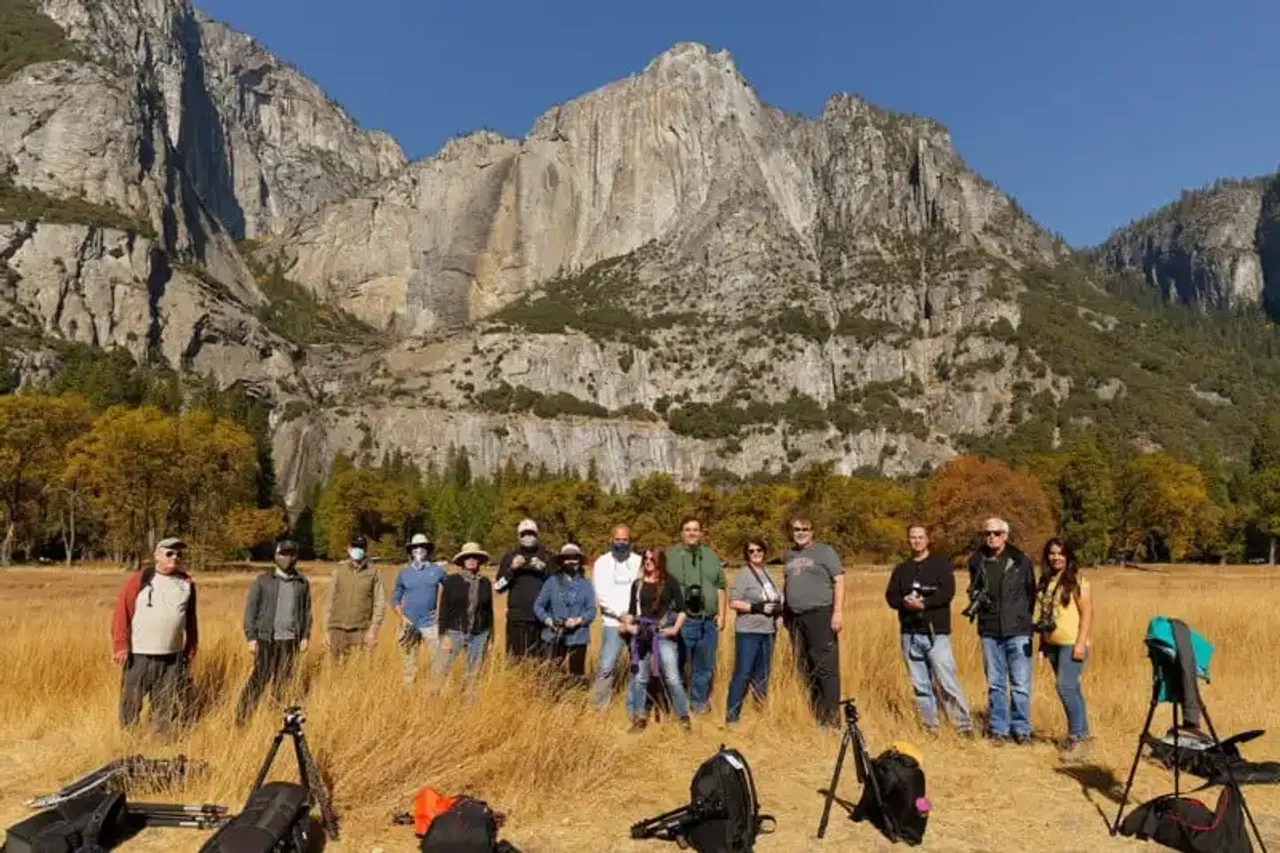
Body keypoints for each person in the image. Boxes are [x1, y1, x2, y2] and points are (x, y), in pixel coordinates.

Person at [884, 525, 973, 736]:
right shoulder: (901, 569)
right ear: (908, 541)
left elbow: (947, 593)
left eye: (920, 537)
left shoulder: (941, 565)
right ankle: (930, 726)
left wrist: (925, 604)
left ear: (927, 540)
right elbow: (891, 597)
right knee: (920, 684)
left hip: (937, 633)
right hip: (910, 633)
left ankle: (963, 726)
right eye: (913, 538)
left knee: (947, 680)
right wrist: (906, 604)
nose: (916, 541)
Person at [111, 537, 198, 734]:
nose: (175, 557)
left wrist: (191, 647)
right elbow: (121, 612)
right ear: (157, 556)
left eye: (179, 554)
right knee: (131, 701)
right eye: (169, 553)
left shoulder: (187, 583)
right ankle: (128, 739)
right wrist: (120, 646)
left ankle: (160, 740)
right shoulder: (141, 579)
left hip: (172, 656)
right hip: (140, 653)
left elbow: (191, 619)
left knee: (166, 701)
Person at [966, 517, 1037, 745]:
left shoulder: (1021, 560)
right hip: (989, 629)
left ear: (1006, 535)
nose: (991, 537)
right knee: (995, 682)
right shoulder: (977, 561)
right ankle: (999, 730)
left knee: (1020, 683)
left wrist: (1022, 618)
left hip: (1018, 629)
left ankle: (1022, 729)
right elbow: (974, 589)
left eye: (997, 533)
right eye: (987, 533)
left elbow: (1031, 593)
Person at [236, 539, 311, 726]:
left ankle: (275, 717)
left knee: (283, 681)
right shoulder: (263, 581)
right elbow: (251, 611)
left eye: (291, 554)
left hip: (290, 640)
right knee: (259, 678)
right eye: (284, 554)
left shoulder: (301, 583)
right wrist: (251, 637)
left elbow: (306, 611)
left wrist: (305, 636)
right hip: (266, 639)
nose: (288, 558)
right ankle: (243, 717)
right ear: (276, 556)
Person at [782, 516, 845, 727]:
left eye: (805, 529)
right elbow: (788, 583)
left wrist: (837, 613)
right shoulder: (789, 554)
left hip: (820, 614)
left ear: (812, 531)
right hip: (796, 619)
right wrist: (785, 613)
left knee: (826, 668)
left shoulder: (825, 552)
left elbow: (839, 580)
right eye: (797, 529)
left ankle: (833, 721)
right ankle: (818, 716)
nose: (800, 533)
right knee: (806, 667)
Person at [622, 547, 691, 732]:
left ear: (660, 561)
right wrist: (628, 626)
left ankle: (684, 718)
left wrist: (674, 629)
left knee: (672, 677)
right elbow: (631, 611)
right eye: (645, 558)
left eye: (652, 559)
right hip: (642, 635)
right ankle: (639, 719)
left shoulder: (670, 582)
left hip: (662, 634)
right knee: (640, 677)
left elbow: (683, 610)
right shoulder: (637, 585)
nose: (648, 561)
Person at [1035, 538, 1094, 756]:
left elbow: (1088, 612)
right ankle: (1084, 735)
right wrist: (1042, 643)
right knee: (1073, 689)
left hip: (1072, 644)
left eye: (1060, 553)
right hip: (1053, 645)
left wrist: (1080, 643)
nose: (1056, 557)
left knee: (1065, 687)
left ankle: (1075, 736)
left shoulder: (1078, 579)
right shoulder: (1047, 579)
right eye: (1052, 553)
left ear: (1068, 555)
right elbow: (1045, 613)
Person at [664, 517, 726, 715]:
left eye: (695, 530)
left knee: (705, 666)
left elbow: (721, 587)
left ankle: (698, 704)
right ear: (681, 533)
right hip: (683, 621)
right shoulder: (670, 556)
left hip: (708, 621)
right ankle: (677, 706)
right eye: (687, 529)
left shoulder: (710, 556)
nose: (691, 533)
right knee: (678, 665)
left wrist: (722, 615)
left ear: (701, 533)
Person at [725, 538, 783, 725]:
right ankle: (732, 717)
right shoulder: (743, 575)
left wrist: (778, 612)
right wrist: (757, 608)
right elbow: (733, 602)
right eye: (751, 551)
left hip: (768, 631)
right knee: (742, 673)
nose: (756, 553)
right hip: (748, 631)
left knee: (762, 675)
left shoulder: (768, 573)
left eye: (759, 550)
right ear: (746, 554)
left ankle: (759, 714)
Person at [590, 524, 642, 710]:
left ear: (630, 541)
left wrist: (633, 616)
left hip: (636, 622)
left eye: (625, 540)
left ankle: (636, 706)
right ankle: (598, 708)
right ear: (611, 539)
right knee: (606, 666)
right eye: (618, 539)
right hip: (612, 623)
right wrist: (620, 615)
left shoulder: (638, 561)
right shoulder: (602, 563)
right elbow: (601, 595)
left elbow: (642, 591)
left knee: (639, 666)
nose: (621, 543)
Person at [533, 543, 597, 688]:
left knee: (576, 677)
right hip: (555, 636)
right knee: (553, 676)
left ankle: (575, 704)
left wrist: (578, 621)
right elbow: (538, 606)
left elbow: (592, 611)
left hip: (579, 637)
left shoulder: (586, 585)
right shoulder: (551, 582)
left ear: (579, 561)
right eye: (567, 558)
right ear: (561, 561)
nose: (571, 561)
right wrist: (549, 621)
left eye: (574, 558)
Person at [434, 542, 495, 685]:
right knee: (439, 670)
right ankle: (433, 703)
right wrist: (443, 635)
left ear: (479, 560)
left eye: (475, 557)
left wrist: (490, 637)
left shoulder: (485, 582)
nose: (472, 559)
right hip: (455, 632)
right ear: (462, 560)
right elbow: (443, 609)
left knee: (473, 675)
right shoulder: (452, 581)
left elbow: (489, 611)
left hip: (479, 634)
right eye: (468, 557)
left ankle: (469, 705)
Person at [392, 533, 447, 687]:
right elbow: (395, 598)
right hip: (409, 625)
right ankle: (408, 698)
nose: (419, 550)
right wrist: (402, 617)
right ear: (410, 550)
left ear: (428, 549)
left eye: (422, 546)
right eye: (415, 547)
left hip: (431, 624)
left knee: (438, 664)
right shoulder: (404, 573)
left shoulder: (437, 570)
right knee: (408, 666)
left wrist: (442, 612)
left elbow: (450, 592)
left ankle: (439, 697)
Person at [495, 519, 552, 662]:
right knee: (516, 659)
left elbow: (557, 585)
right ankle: (517, 683)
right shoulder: (509, 557)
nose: (528, 537)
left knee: (540, 659)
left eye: (531, 533)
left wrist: (544, 570)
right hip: (517, 617)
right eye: (524, 534)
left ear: (537, 535)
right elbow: (498, 587)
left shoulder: (547, 556)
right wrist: (511, 570)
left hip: (541, 617)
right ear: (518, 536)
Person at [322, 533, 386, 660]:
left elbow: (380, 603)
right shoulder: (339, 572)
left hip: (361, 631)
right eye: (355, 546)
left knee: (358, 671)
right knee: (335, 671)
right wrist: (325, 630)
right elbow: (330, 601)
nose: (358, 550)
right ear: (348, 548)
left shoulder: (373, 573)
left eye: (361, 547)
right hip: (337, 630)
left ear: (365, 550)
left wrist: (373, 629)